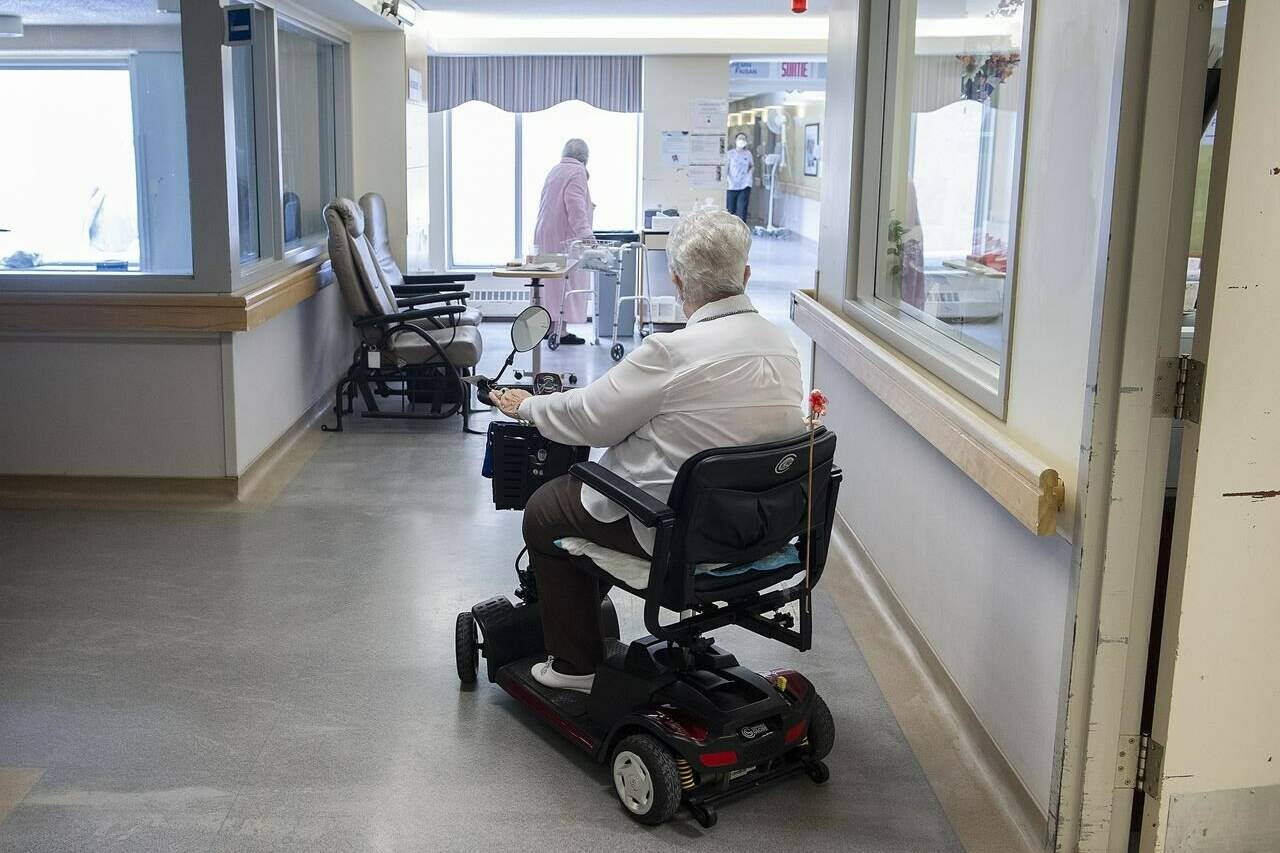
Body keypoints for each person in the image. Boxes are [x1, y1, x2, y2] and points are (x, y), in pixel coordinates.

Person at [491, 209, 804, 693]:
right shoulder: (782, 347)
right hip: (757, 525)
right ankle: (586, 615)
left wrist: (530, 406)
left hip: (679, 534)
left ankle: (576, 667)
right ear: (745, 275)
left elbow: (589, 418)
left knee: (546, 509)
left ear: (677, 282)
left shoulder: (671, 352)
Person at [532, 138, 595, 345]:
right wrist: (587, 235)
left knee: (551, 283)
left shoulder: (556, 170)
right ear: (585, 158)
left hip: (545, 233)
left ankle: (551, 328)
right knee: (566, 282)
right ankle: (562, 332)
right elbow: (575, 205)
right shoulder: (577, 172)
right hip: (563, 237)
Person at [725, 132, 754, 222]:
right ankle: (730, 232)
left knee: (742, 210)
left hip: (744, 185)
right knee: (730, 211)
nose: (742, 140)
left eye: (744, 139)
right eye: (740, 138)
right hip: (731, 185)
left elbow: (752, 166)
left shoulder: (748, 154)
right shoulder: (730, 154)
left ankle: (741, 232)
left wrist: (749, 176)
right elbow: (726, 168)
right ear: (735, 141)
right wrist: (727, 180)